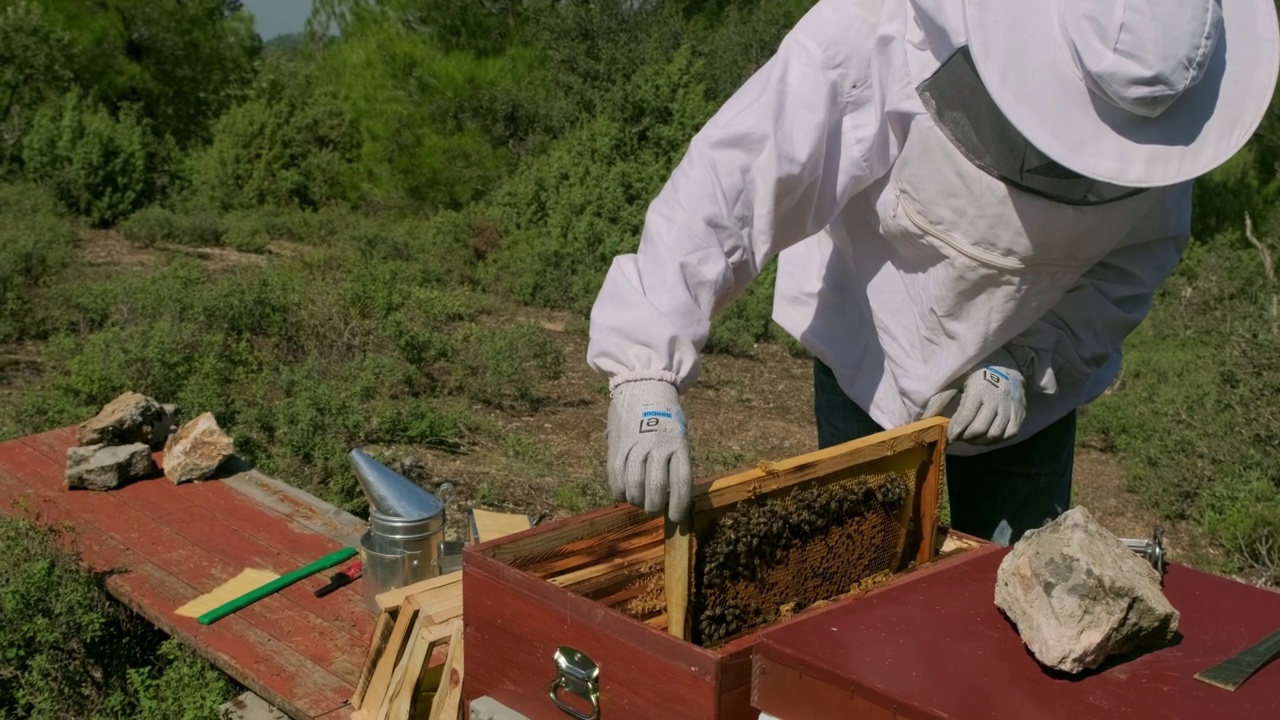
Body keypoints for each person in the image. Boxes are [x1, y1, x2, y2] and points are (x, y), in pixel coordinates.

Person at [585, 0, 1280, 544]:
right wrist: (647, 366)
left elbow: (1130, 267)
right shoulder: (886, 29)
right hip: (875, 342)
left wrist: (1030, 356)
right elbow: (737, 179)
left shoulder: (1167, 120)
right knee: (857, 580)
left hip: (1024, 394)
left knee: (1022, 608)